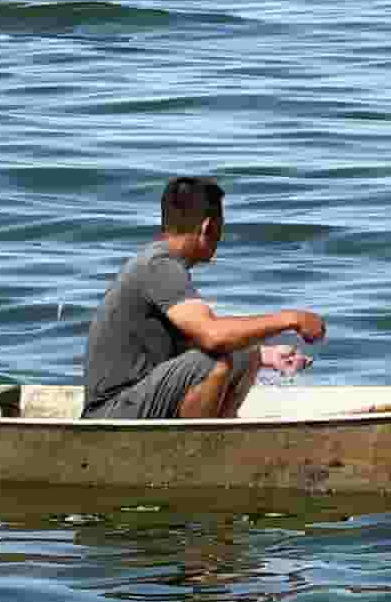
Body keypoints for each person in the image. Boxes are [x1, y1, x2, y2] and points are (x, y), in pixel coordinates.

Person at [79, 176, 327, 420]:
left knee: (244, 353)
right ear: (208, 227)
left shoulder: (160, 265)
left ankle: (225, 433)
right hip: (111, 413)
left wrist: (265, 356)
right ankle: (200, 448)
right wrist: (291, 319)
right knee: (213, 362)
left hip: (134, 400)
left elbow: (192, 344)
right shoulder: (159, 267)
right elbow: (213, 337)